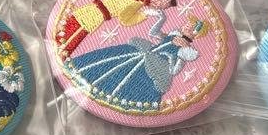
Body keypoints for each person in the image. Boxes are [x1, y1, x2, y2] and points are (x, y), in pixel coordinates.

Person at [70, 19, 205, 110]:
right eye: (187, 23)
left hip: (157, 68)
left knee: (132, 82)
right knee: (115, 62)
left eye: (190, 26)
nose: (186, 25)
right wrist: (161, 18)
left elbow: (174, 71)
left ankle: (117, 100)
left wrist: (178, 56)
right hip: (144, 52)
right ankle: (90, 79)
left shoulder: (185, 51)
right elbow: (153, 33)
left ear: (194, 33)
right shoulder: (172, 35)